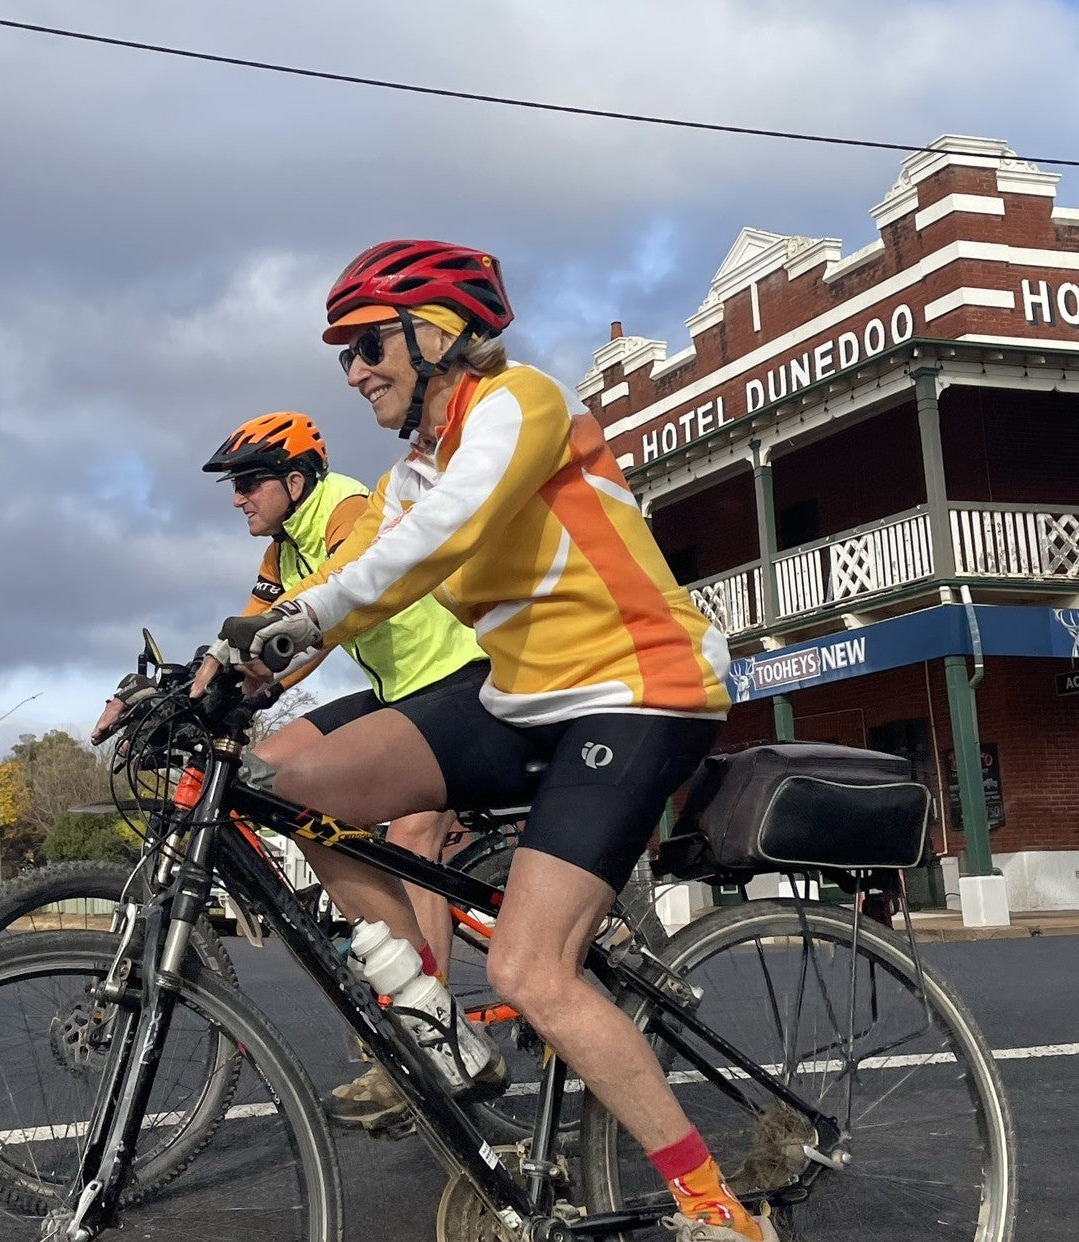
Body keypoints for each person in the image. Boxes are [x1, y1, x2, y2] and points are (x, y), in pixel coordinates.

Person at [209, 240, 774, 1242]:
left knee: (529, 971)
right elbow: (359, 564)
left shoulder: (522, 404)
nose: (353, 371)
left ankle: (717, 1209)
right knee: (290, 781)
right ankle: (437, 1031)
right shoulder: (411, 473)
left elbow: (446, 540)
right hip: (524, 691)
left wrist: (294, 630)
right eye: (342, 353)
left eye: (368, 344)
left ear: (440, 333)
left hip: (638, 687)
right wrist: (223, 666)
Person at [100, 410, 494, 1126]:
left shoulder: (344, 505)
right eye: (234, 485)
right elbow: (257, 624)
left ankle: (435, 1033)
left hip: (457, 679)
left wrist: (264, 669)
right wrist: (184, 692)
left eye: (249, 482)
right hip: (394, 689)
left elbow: (328, 607)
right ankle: (362, 921)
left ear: (293, 478)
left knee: (410, 840)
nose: (237, 498)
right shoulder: (282, 549)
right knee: (266, 775)